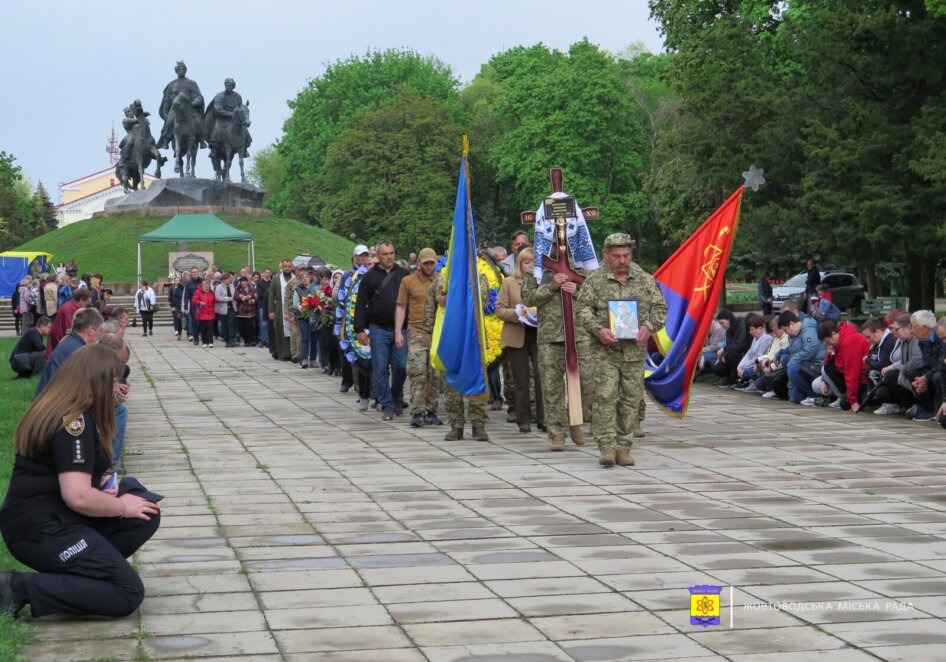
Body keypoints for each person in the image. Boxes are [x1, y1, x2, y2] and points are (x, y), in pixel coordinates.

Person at [0, 344, 161, 618]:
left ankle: (83, 572)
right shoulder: (74, 424)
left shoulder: (65, 410)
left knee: (144, 509)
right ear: (98, 381)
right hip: (42, 529)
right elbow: (78, 496)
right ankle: (17, 587)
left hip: (56, 518)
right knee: (126, 592)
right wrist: (122, 507)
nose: (118, 388)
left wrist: (113, 489)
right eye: (115, 381)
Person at [575, 234, 666, 466]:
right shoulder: (594, 281)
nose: (622, 260)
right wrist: (598, 330)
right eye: (616, 256)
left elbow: (660, 309)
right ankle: (606, 447)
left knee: (630, 399)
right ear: (605, 255)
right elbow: (582, 309)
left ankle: (623, 446)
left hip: (634, 353)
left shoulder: (644, 280)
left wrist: (648, 327)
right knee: (604, 397)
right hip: (605, 352)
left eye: (626, 255)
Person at [354, 241, 409, 421]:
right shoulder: (370, 277)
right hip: (378, 329)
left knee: (400, 366)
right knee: (380, 368)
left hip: (401, 329)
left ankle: (395, 396)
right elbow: (361, 304)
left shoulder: (404, 275)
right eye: (385, 254)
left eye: (392, 253)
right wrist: (360, 329)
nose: (389, 257)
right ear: (378, 256)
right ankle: (387, 405)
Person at [497, 248, 544, 434]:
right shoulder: (509, 282)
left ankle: (544, 418)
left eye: (533, 262)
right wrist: (517, 314)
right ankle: (523, 419)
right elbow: (499, 309)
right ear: (520, 264)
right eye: (526, 262)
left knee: (543, 378)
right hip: (517, 334)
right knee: (521, 379)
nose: (530, 266)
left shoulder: (543, 283)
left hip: (539, 335)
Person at [395, 247, 442, 427]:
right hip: (417, 331)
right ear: (419, 263)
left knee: (434, 374)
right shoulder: (408, 281)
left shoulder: (441, 281)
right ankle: (417, 411)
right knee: (417, 372)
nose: (429, 267)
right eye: (426, 263)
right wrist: (398, 331)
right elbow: (401, 307)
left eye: (432, 263)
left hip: (437, 331)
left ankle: (431, 411)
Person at [35, 308, 106, 398]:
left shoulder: (72, 342)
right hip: (52, 405)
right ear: (90, 331)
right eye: (99, 330)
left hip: (49, 401)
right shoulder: (78, 350)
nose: (100, 336)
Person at [816, 320, 871, 411]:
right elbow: (831, 364)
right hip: (856, 378)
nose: (828, 344)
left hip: (864, 380)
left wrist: (853, 401)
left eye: (828, 341)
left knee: (845, 404)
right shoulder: (841, 340)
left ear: (834, 334)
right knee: (828, 367)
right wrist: (832, 354)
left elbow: (852, 373)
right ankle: (847, 396)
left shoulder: (849, 341)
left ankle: (853, 398)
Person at [778, 310, 826, 404]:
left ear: (791, 324)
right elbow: (792, 351)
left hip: (816, 363)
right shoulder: (792, 335)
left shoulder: (808, 328)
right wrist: (778, 355)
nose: (786, 333)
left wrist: (792, 362)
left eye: (785, 329)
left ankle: (814, 395)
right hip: (805, 363)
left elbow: (810, 350)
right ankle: (803, 389)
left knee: (792, 369)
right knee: (795, 397)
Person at [158, 61, 204, 150]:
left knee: (198, 121)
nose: (181, 70)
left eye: (183, 69)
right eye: (179, 69)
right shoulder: (171, 84)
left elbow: (198, 96)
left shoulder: (191, 83)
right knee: (169, 122)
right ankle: (165, 139)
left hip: (190, 107)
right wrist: (165, 114)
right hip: (176, 108)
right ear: (176, 71)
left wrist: (195, 102)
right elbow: (167, 100)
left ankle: (202, 140)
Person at [206, 78, 251, 159]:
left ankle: (245, 147)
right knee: (217, 129)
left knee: (244, 129)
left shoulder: (237, 96)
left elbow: (240, 107)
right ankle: (213, 148)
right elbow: (218, 109)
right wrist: (231, 114)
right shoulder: (219, 96)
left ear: (233, 86)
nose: (228, 86)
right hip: (222, 119)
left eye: (230, 85)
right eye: (226, 85)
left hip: (235, 120)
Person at [46, 289, 92, 359]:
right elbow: (70, 328)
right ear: (81, 299)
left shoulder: (73, 305)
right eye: (87, 300)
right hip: (58, 335)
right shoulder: (69, 309)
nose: (88, 303)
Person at [268, 260, 294, 361]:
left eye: (289, 266)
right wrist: (271, 310)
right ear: (282, 267)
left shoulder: (295, 278)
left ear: (291, 267)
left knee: (293, 331)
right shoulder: (276, 279)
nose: (287, 268)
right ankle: (283, 353)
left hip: (293, 309)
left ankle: (293, 353)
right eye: (285, 266)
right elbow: (271, 295)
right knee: (280, 331)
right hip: (280, 308)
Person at [292, 271, 319, 368]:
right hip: (303, 317)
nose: (305, 279)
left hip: (314, 316)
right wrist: (300, 306)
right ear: (300, 279)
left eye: (307, 277)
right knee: (305, 337)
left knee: (314, 338)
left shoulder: (315, 288)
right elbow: (295, 304)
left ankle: (313, 359)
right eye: (303, 277)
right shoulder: (297, 290)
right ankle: (304, 359)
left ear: (310, 278)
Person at [191, 280, 216, 348]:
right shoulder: (198, 292)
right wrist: (199, 302)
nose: (206, 287)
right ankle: (204, 342)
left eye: (208, 286)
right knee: (203, 328)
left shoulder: (212, 293)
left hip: (210, 313)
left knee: (210, 327)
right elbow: (193, 300)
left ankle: (210, 342)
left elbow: (214, 301)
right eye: (205, 286)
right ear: (202, 286)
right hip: (202, 313)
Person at [234, 277, 258, 347]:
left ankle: (252, 340)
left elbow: (256, 297)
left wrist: (253, 300)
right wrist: (243, 297)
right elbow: (235, 297)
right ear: (240, 282)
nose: (244, 283)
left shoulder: (252, 289)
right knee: (243, 327)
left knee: (251, 327)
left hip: (251, 310)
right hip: (241, 311)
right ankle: (246, 341)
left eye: (245, 281)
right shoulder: (238, 289)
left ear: (247, 282)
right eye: (242, 281)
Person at [213, 274, 236, 348]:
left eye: (230, 279)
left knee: (231, 324)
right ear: (224, 279)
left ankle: (232, 340)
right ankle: (227, 340)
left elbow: (234, 295)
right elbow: (217, 297)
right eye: (228, 278)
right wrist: (227, 298)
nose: (230, 280)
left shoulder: (232, 286)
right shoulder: (219, 287)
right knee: (225, 325)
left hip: (231, 308)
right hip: (223, 309)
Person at [256, 268, 272, 349]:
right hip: (262, 305)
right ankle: (263, 340)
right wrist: (268, 293)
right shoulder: (259, 283)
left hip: (270, 305)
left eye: (269, 273)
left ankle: (269, 340)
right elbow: (259, 295)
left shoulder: (272, 283)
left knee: (270, 324)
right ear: (263, 273)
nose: (268, 274)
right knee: (263, 323)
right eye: (266, 272)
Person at [168, 276, 184, 340]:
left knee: (179, 319)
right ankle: (176, 330)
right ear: (174, 281)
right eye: (176, 280)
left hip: (180, 306)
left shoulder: (182, 288)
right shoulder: (172, 288)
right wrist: (172, 305)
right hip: (174, 306)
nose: (177, 281)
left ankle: (179, 332)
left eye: (178, 280)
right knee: (175, 318)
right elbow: (170, 297)